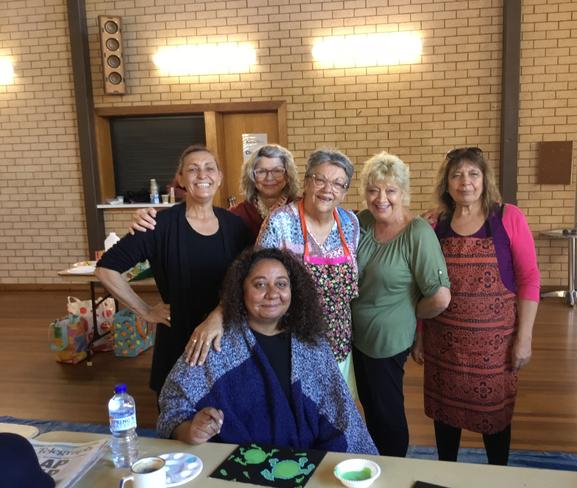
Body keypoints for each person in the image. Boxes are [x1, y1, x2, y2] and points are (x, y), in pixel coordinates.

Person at [157, 247, 377, 455]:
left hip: (309, 462)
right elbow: (173, 401)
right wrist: (189, 430)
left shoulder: (313, 345)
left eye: (281, 284)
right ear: (241, 290)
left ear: (294, 290)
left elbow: (340, 413)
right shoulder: (216, 343)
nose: (273, 293)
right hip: (236, 465)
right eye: (260, 285)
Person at [96, 144, 252, 396]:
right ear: (180, 178)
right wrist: (145, 310)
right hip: (177, 339)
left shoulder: (236, 227)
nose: (202, 175)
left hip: (224, 336)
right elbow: (106, 269)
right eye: (193, 169)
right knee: (177, 416)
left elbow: (248, 279)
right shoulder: (158, 225)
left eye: (209, 168)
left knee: (225, 417)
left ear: (220, 177)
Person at [417, 146, 540, 466]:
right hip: (443, 346)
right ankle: (447, 475)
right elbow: (420, 286)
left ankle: (497, 475)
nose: (465, 182)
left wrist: (524, 338)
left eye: (473, 173)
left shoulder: (508, 217)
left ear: (485, 179)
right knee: (445, 420)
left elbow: (529, 278)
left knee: (495, 421)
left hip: (495, 347)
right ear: (446, 182)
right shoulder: (434, 224)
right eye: (456, 175)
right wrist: (418, 335)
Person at [351, 152, 451, 457]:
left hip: (388, 340)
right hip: (354, 335)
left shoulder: (417, 233)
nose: (381, 198)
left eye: (390, 190)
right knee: (369, 407)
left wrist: (410, 309)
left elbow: (440, 296)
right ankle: (375, 461)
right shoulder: (360, 222)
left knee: (387, 413)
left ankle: (394, 467)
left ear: (403, 193)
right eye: (373, 190)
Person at [256, 148, 360, 389]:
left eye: (337, 183)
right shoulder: (280, 221)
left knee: (335, 414)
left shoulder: (350, 223)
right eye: (320, 179)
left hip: (338, 341)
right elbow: (258, 278)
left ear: (344, 192)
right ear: (305, 182)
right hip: (291, 341)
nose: (327, 189)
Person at [130, 144, 300, 238]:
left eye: (277, 171)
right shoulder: (236, 216)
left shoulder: (303, 209)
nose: (269, 178)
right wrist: (144, 218)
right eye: (261, 172)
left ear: (287, 176)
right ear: (252, 177)